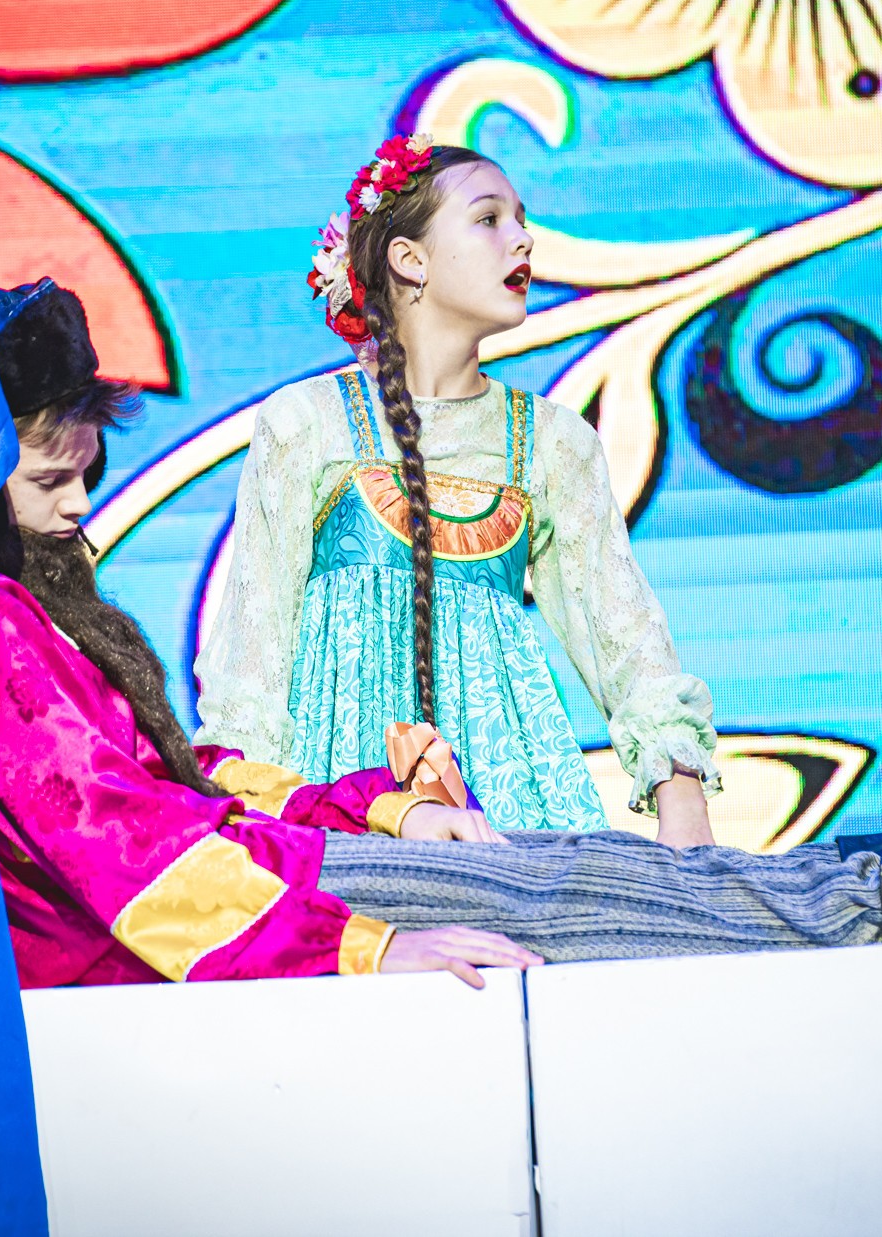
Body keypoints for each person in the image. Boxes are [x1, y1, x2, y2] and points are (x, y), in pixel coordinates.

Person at [0, 277, 882, 988]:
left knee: (617, 880)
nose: (78, 509)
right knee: (606, 892)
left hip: (287, 856)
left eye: (85, 476)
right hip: (248, 905)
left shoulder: (543, 436)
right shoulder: (6, 630)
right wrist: (359, 947)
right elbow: (134, 854)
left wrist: (380, 810)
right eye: (47, 481)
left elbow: (185, 793)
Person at [193, 135, 724, 841]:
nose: (523, 239)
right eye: (489, 218)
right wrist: (248, 821)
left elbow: (625, 637)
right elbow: (251, 657)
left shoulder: (552, 443)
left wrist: (683, 801)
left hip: (511, 807)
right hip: (342, 807)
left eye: (521, 220)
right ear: (409, 259)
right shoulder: (308, 423)